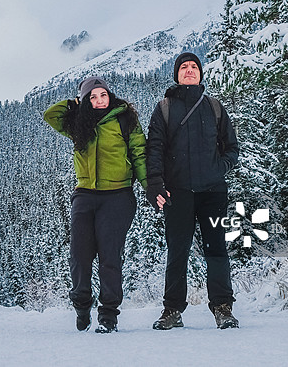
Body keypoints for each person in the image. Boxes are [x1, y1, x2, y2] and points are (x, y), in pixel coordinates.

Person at [44, 76, 148, 333]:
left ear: (110, 95)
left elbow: (139, 154)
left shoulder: (125, 119)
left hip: (118, 195)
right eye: (93, 97)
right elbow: (51, 115)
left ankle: (108, 315)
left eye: (103, 94)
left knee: (109, 256)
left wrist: (151, 188)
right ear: (86, 101)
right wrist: (75, 104)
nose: (99, 100)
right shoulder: (78, 123)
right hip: (85, 194)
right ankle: (82, 304)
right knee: (79, 255)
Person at [146, 52, 240, 330]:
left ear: (200, 73)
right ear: (177, 74)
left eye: (194, 67)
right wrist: (156, 184)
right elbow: (154, 149)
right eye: (184, 67)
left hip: (213, 192)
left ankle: (223, 308)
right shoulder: (164, 108)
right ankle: (172, 310)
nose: (189, 70)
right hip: (178, 193)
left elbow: (232, 147)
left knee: (217, 249)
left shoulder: (214, 107)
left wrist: (219, 168)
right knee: (178, 251)